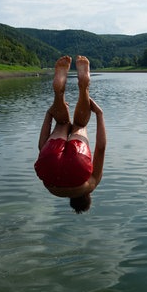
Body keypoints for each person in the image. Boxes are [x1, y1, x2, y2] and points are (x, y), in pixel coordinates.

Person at [34, 55, 106, 213]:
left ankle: (84, 88)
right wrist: (49, 114)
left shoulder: (90, 185)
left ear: (88, 195)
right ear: (72, 200)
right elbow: (42, 147)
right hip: (50, 166)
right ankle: (58, 93)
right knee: (62, 123)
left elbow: (100, 148)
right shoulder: (52, 190)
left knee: (79, 124)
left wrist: (99, 114)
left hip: (78, 165)